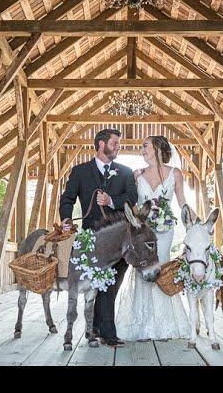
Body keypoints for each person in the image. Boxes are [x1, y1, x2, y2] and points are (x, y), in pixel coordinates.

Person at [59, 128, 137, 348]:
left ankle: (103, 330)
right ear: (101, 145)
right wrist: (66, 218)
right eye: (114, 143)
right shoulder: (79, 171)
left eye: (118, 143)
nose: (118, 146)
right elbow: (67, 199)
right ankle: (100, 330)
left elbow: (132, 199)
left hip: (119, 243)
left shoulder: (125, 172)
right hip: (89, 240)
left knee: (110, 286)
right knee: (95, 286)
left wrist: (111, 200)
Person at [115, 135, 192, 341]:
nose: (142, 149)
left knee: (160, 269)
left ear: (158, 148)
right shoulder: (136, 175)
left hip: (165, 231)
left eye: (145, 146)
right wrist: (135, 219)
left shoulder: (175, 174)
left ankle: (163, 325)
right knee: (142, 269)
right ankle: (142, 326)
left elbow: (182, 201)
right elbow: (131, 204)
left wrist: (194, 225)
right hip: (143, 232)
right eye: (142, 147)